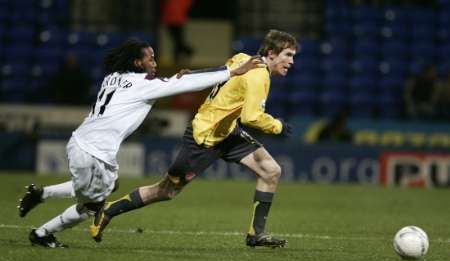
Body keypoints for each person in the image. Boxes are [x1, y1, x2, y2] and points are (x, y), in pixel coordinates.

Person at [18, 38, 263, 248]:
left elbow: (165, 84)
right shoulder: (142, 86)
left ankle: (43, 200)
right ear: (137, 63)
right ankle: (42, 231)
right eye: (151, 59)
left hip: (88, 146)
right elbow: (182, 85)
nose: (155, 63)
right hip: (91, 151)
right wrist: (232, 72)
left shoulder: (113, 77)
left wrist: (179, 78)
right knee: (93, 205)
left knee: (103, 191)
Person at [90, 30, 297, 248]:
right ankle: (108, 210)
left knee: (270, 170)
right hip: (205, 137)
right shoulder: (259, 76)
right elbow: (252, 117)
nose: (291, 62)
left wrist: (194, 74)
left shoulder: (244, 58)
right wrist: (278, 126)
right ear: (272, 53)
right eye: (288, 55)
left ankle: (256, 234)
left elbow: (222, 71)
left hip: (226, 131)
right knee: (166, 191)